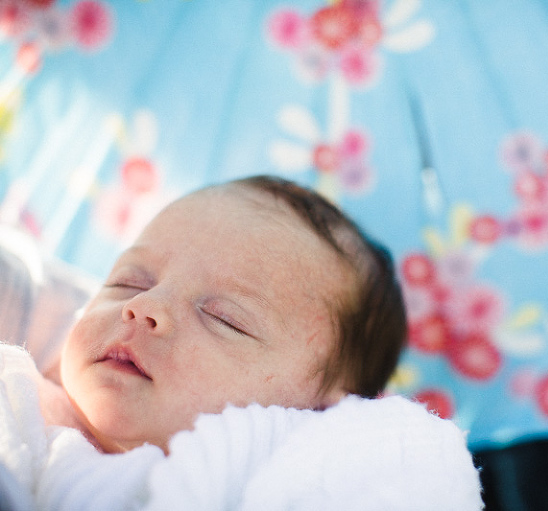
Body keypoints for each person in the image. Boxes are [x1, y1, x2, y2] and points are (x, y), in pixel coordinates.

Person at [0, 175, 482, 509]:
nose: (146, 307)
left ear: (320, 414)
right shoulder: (19, 395)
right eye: (129, 281)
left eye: (223, 318)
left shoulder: (310, 472)